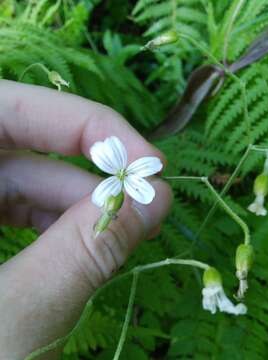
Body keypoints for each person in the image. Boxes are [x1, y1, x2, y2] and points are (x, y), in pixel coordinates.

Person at [0, 80, 172, 359]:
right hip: (123, 181)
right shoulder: (117, 181)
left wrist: (120, 184)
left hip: (125, 179)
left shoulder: (121, 176)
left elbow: (141, 175)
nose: (120, 176)